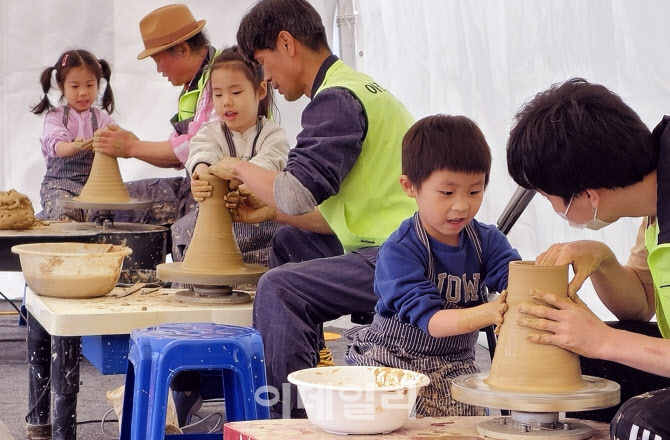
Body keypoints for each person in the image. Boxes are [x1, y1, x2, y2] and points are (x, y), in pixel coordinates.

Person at [210, 0, 416, 418]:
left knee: (278, 289)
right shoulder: (355, 86)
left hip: (406, 256)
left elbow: (293, 193)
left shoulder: (336, 100)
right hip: (397, 238)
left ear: (286, 43)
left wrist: (236, 166)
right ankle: (312, 376)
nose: (264, 76)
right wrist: (270, 215)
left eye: (262, 62)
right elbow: (342, 212)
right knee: (290, 241)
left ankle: (290, 422)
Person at [505, 77, 670, 440]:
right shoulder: (656, 197)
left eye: (548, 197)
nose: (551, 207)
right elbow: (641, 304)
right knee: (584, 365)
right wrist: (604, 260)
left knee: (639, 423)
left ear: (586, 196)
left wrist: (603, 340)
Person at [344, 115, 520, 417]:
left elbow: (518, 282)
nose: (462, 205)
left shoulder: (488, 241)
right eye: (447, 193)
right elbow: (433, 323)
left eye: (474, 191)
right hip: (393, 362)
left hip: (457, 362)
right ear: (410, 186)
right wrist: (491, 312)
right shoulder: (400, 250)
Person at [93, 4, 218, 260]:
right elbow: (177, 149)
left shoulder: (221, 76)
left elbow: (195, 147)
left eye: (158, 60)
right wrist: (133, 143)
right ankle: (137, 283)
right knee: (108, 209)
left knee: (190, 234)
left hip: (218, 189)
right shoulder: (192, 85)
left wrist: (130, 148)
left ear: (182, 49)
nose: (158, 69)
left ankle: (180, 287)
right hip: (192, 184)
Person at [185, 45, 289, 266]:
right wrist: (201, 177)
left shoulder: (273, 135)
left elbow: (268, 162)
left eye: (236, 92)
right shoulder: (210, 133)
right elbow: (202, 152)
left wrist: (239, 179)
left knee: (269, 273)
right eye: (218, 94)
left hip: (262, 230)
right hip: (218, 228)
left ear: (260, 91)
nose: (226, 102)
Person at [31, 49, 116, 221]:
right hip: (59, 185)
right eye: (75, 86)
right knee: (64, 217)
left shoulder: (102, 119)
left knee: (104, 221)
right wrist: (74, 146)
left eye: (90, 85)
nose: (83, 92)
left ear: (98, 85)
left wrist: (125, 141)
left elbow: (118, 141)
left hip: (94, 187)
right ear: (62, 86)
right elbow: (57, 146)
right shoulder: (55, 117)